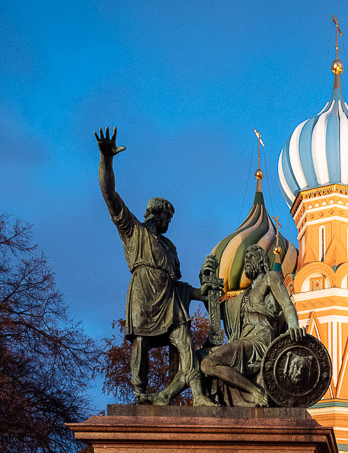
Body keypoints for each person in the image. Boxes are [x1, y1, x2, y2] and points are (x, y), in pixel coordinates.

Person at [95, 126, 213, 404]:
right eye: (167, 219)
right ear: (156, 214)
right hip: (143, 293)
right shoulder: (133, 230)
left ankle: (197, 395)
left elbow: (178, 285)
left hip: (169, 299)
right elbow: (109, 194)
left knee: (185, 342)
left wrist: (201, 292)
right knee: (141, 343)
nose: (169, 224)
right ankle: (139, 392)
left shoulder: (170, 247)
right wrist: (106, 160)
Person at [200, 244, 304, 405]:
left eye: (250, 258)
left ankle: (256, 392)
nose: (246, 262)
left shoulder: (270, 277)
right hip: (244, 341)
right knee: (198, 358)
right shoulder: (244, 296)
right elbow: (217, 312)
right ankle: (203, 401)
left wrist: (293, 326)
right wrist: (205, 283)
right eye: (245, 259)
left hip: (260, 342)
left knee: (208, 364)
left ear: (262, 261)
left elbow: (286, 304)